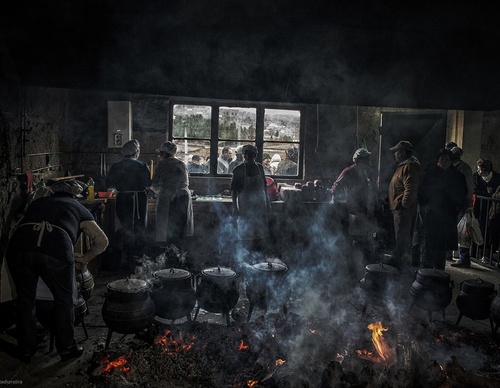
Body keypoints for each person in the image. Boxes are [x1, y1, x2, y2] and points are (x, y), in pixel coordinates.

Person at [4, 179, 109, 363]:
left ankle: (26, 349)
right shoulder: (78, 207)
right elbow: (102, 241)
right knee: (63, 300)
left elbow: (20, 224)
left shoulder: (37, 202)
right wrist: (85, 258)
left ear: (52, 193)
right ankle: (67, 348)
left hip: (19, 248)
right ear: (74, 195)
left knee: (25, 300)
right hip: (55, 250)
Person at [415, 149, 467, 270]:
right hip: (432, 215)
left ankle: (439, 271)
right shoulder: (429, 174)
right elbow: (421, 192)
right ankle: (426, 270)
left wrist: (455, 205)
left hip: (447, 217)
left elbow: (461, 193)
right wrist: (426, 206)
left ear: (450, 161)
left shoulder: (457, 176)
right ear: (438, 161)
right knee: (428, 245)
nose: (444, 162)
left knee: (442, 247)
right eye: (442, 159)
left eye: (447, 160)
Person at [106, 139, 151, 271]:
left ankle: (127, 258)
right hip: (139, 199)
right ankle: (139, 260)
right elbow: (148, 183)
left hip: (123, 199)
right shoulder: (142, 165)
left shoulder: (116, 166)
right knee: (139, 227)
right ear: (136, 152)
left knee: (125, 227)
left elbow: (109, 183)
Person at [331, 148, 378, 273]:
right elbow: (336, 186)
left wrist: (378, 201)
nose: (368, 161)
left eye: (368, 158)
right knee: (355, 237)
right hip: (355, 208)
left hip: (368, 207)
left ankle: (365, 263)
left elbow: (374, 189)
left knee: (367, 235)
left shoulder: (370, 172)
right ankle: (352, 263)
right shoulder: (349, 172)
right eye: (366, 159)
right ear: (358, 160)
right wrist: (335, 198)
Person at [151, 141, 194, 250]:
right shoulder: (181, 164)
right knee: (180, 228)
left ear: (164, 153)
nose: (160, 155)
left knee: (168, 229)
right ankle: (179, 254)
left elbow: (154, 185)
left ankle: (168, 254)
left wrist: (156, 192)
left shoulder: (161, 164)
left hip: (168, 199)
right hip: (183, 197)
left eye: (160, 153)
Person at [388, 140, 421, 270]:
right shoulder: (403, 165)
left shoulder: (409, 166)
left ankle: (401, 263)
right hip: (398, 207)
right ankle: (400, 259)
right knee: (400, 235)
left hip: (402, 209)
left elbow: (411, 188)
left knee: (402, 236)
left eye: (396, 152)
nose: (394, 155)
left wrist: (404, 204)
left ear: (402, 152)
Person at [231, 144, 270, 253]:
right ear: (243, 155)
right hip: (246, 206)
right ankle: (245, 256)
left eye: (251, 154)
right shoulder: (238, 170)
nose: (248, 156)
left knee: (260, 233)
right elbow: (233, 190)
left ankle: (260, 257)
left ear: (255, 155)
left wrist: (267, 202)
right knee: (246, 234)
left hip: (260, 205)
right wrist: (235, 206)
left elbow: (264, 186)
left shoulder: (260, 167)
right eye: (247, 154)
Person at [446, 146, 473, 262]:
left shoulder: (464, 168)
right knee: (450, 228)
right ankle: (447, 253)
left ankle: (464, 257)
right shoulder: (450, 167)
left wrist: (468, 203)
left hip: (461, 203)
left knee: (463, 230)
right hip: (451, 203)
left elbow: (468, 188)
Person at [471, 159, 500, 263]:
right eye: (478, 169)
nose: (479, 172)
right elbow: (474, 190)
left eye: (481, 170)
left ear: (487, 170)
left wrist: (491, 195)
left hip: (492, 209)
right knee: (477, 229)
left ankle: (486, 255)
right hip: (479, 208)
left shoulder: (497, 177)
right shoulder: (476, 177)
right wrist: (489, 194)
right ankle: (474, 254)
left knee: (490, 231)